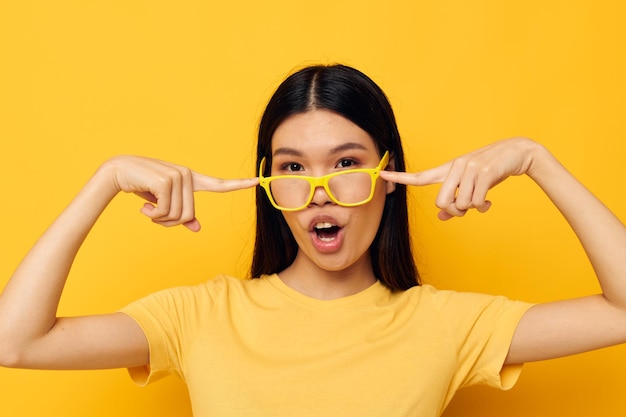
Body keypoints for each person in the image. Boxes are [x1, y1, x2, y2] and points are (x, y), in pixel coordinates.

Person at [0, 64, 624, 417]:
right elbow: (16, 342)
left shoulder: (448, 324)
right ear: (269, 183)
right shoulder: (202, 316)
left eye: (346, 162)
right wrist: (104, 181)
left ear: (390, 178)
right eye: (293, 168)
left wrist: (535, 159)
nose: (319, 192)